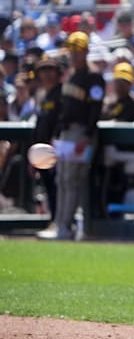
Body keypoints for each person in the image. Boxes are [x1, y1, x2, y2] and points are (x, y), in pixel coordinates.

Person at [37, 32, 104, 240]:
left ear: (85, 51)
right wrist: (56, 135)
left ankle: (65, 227)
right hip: (66, 134)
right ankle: (60, 224)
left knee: (72, 179)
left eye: (78, 51)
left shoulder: (94, 77)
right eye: (72, 51)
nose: (74, 55)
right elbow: (64, 110)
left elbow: (95, 110)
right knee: (62, 180)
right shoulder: (71, 76)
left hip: (81, 133)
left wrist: (87, 136)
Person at [100, 62, 134, 211]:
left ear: (130, 83)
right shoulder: (109, 104)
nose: (121, 86)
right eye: (118, 82)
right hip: (107, 155)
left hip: (130, 152)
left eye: (125, 82)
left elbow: (131, 120)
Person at [30, 56, 62, 219]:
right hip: (42, 151)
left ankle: (59, 220)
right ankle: (54, 219)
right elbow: (39, 123)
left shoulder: (61, 93)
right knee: (48, 188)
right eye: (43, 70)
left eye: (50, 70)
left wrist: (55, 141)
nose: (47, 74)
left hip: (57, 149)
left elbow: (62, 120)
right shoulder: (42, 95)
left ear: (57, 73)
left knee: (58, 187)